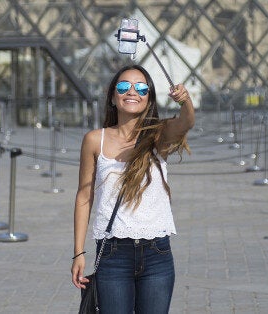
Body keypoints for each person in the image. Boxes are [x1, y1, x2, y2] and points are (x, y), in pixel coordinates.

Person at [71, 64, 195, 313]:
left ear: (149, 99)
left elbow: (186, 123)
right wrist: (78, 253)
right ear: (113, 97)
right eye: (123, 86)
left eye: (141, 87)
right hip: (113, 254)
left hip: (156, 253)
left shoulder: (159, 135)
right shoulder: (95, 139)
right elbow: (84, 196)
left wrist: (186, 101)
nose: (132, 92)